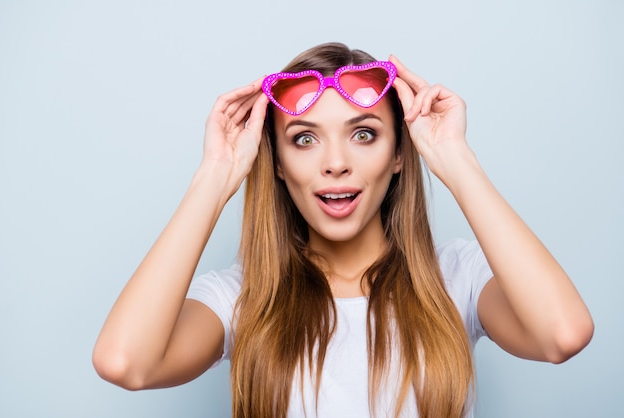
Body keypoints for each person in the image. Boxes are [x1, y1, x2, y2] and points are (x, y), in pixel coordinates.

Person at [92, 42, 594, 418]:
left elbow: (562, 334)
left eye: (364, 134)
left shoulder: (454, 276)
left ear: (399, 154)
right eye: (305, 138)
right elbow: (124, 362)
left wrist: (455, 159)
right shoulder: (243, 297)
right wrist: (215, 176)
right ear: (280, 164)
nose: (336, 163)